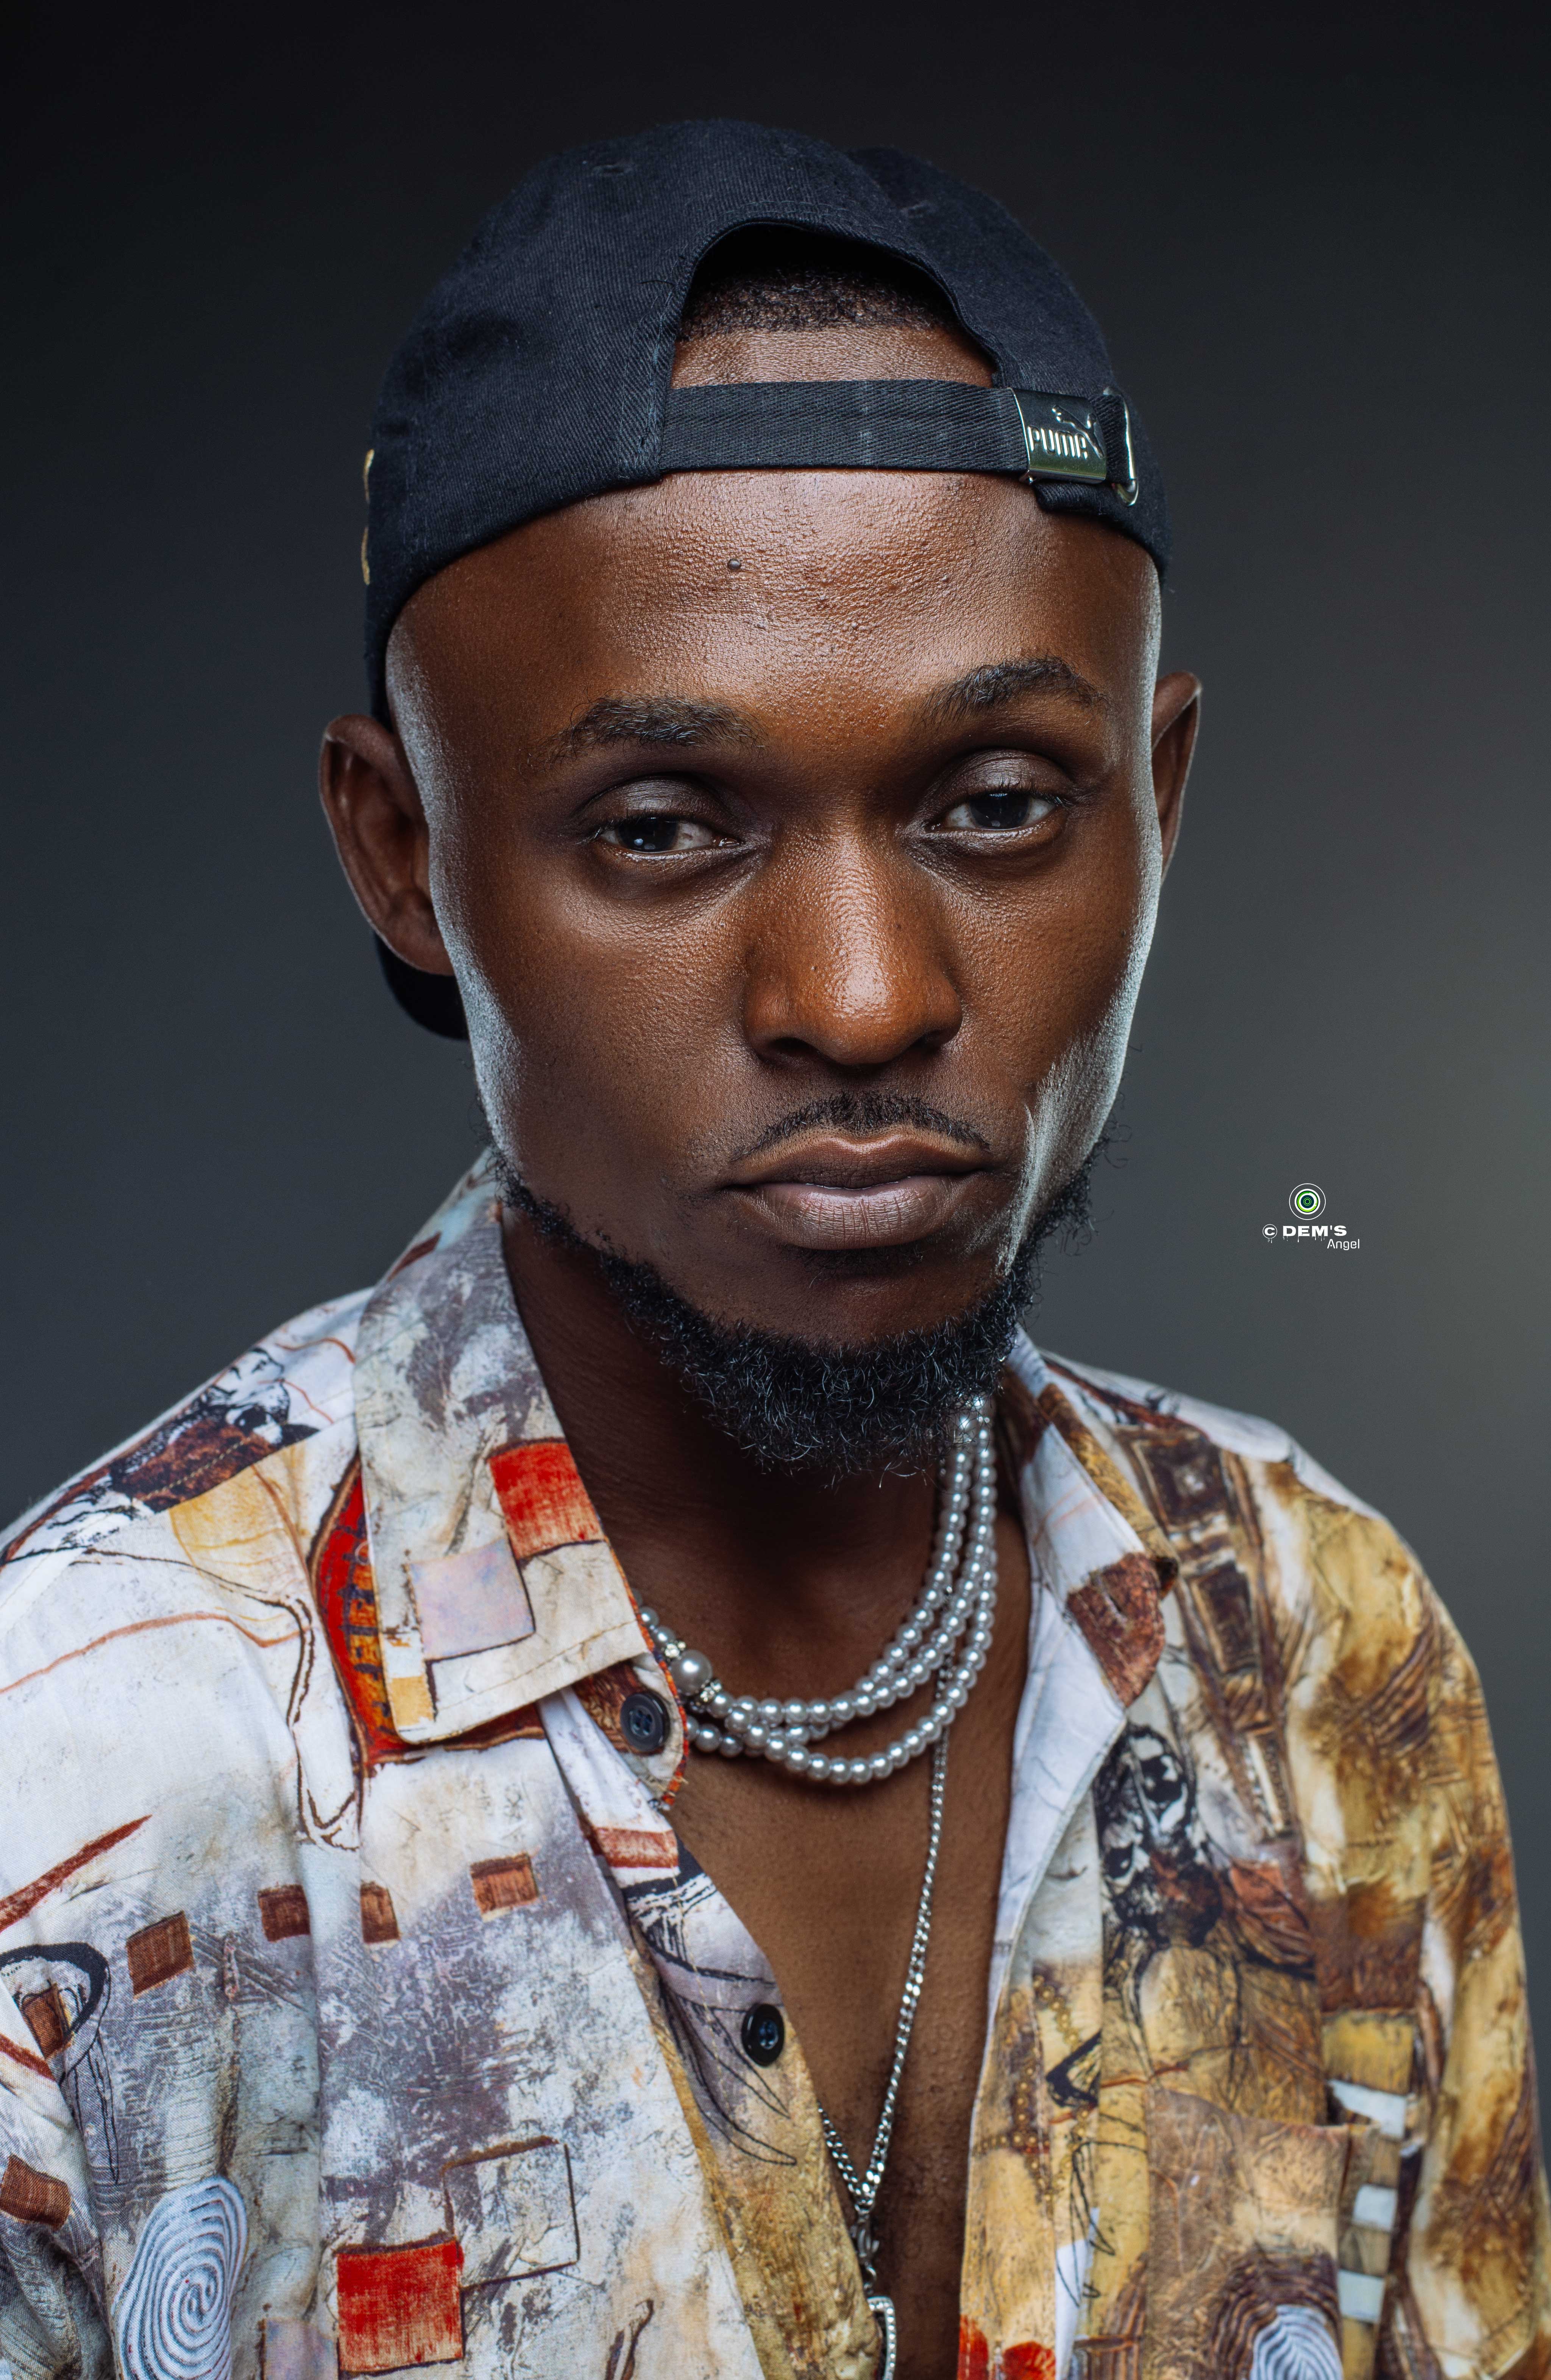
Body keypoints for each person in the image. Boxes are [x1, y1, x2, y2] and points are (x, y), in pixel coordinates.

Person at [0, 119, 1544, 2380]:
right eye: (663, 827)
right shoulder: (87, 1783)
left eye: (997, 804)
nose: (862, 995)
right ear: (404, 852)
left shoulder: (1319, 1650)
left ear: (1160, 802)